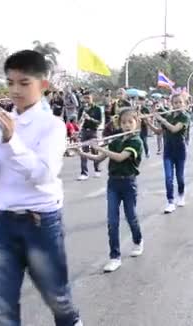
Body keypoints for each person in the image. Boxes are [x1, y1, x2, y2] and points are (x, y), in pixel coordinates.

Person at [0, 50, 83, 325]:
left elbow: (43, 175)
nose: (15, 90)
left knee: (59, 300)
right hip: (3, 224)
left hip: (40, 223)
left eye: (24, 83)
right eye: (10, 82)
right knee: (1, 309)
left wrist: (12, 141)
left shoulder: (53, 126)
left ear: (43, 85)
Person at [75, 108, 144, 272]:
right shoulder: (115, 141)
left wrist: (100, 148)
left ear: (136, 122)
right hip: (113, 184)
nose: (127, 125)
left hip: (128, 183)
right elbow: (99, 158)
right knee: (112, 222)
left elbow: (120, 157)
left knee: (131, 217)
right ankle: (115, 257)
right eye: (123, 122)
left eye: (130, 122)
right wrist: (81, 152)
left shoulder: (136, 141)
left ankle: (138, 240)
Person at [146, 94, 190, 213]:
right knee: (168, 177)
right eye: (175, 103)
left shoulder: (185, 117)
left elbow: (174, 129)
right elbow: (158, 131)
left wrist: (161, 119)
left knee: (179, 177)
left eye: (180, 102)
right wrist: (148, 122)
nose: (177, 105)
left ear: (184, 104)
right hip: (168, 150)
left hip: (180, 150)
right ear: (171, 104)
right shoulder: (169, 116)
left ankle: (181, 195)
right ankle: (170, 201)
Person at [77, 92, 102, 180]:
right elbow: (78, 123)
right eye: (85, 98)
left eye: (88, 98)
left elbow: (99, 122)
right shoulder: (82, 109)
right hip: (84, 131)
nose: (86, 100)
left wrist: (90, 118)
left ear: (92, 98)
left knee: (95, 151)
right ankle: (84, 173)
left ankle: (97, 170)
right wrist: (82, 119)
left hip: (93, 131)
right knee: (84, 152)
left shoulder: (97, 108)